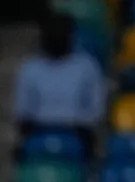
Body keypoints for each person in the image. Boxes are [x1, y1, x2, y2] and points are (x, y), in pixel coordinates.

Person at [12, 13, 105, 160]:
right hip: (39, 133)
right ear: (43, 36)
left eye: (61, 32)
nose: (56, 37)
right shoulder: (30, 68)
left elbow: (96, 111)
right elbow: (23, 112)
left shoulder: (87, 66)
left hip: (77, 135)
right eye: (52, 32)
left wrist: (72, 126)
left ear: (70, 35)